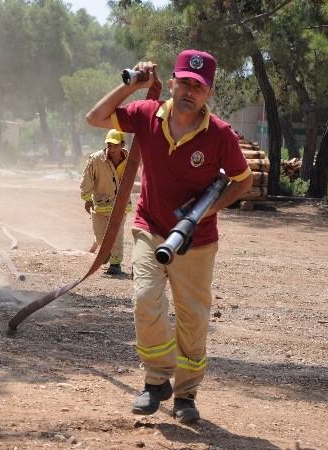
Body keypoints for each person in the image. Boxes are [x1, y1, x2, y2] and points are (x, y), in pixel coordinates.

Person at [86, 49, 253, 424]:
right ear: (173, 82)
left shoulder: (221, 135)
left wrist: (203, 213)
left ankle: (186, 394)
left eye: (198, 86)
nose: (189, 92)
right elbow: (94, 117)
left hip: (199, 240)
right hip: (150, 226)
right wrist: (131, 86)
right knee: (145, 298)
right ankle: (156, 380)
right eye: (184, 82)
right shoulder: (148, 114)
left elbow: (244, 181)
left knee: (192, 318)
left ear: (208, 93)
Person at [80, 129, 132, 275]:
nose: (112, 149)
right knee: (99, 235)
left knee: (117, 234)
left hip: (121, 205)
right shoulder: (96, 159)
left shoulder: (130, 159)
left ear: (122, 144)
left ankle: (115, 264)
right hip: (100, 204)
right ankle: (105, 251)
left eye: (116, 145)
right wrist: (87, 198)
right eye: (110, 145)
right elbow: (87, 179)